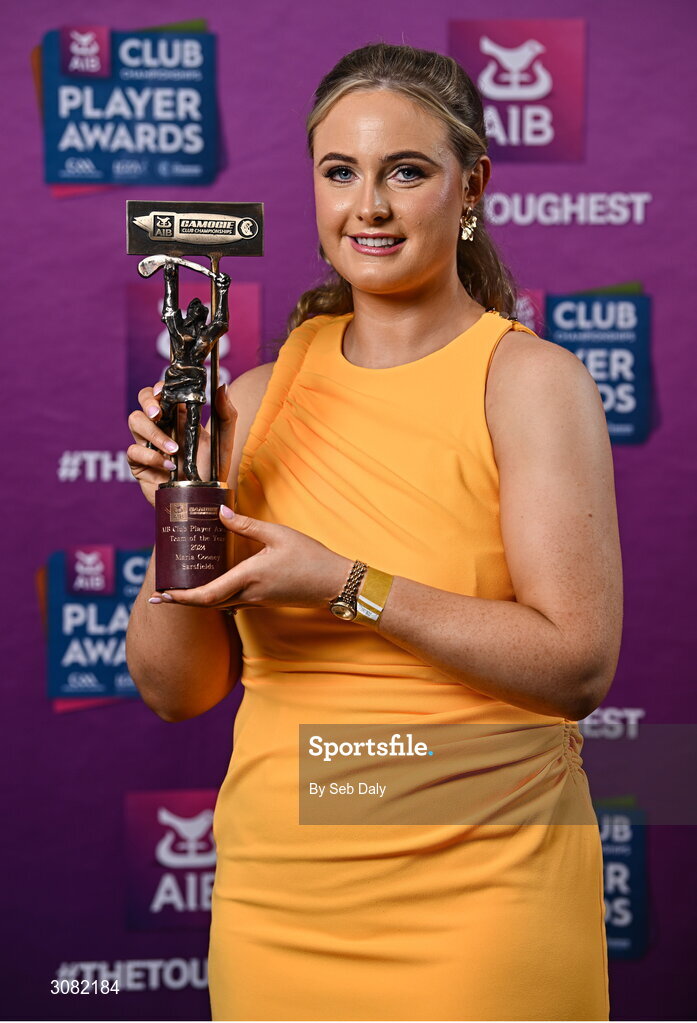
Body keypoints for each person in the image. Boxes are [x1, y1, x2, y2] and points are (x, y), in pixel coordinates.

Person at [126, 42, 622, 1022]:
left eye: (407, 171)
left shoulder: (526, 385)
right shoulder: (254, 400)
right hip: (282, 905)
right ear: (311, 189)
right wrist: (181, 505)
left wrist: (346, 581)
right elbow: (176, 690)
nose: (371, 207)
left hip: (483, 901)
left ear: (470, 184)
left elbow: (576, 665)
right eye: (339, 172)